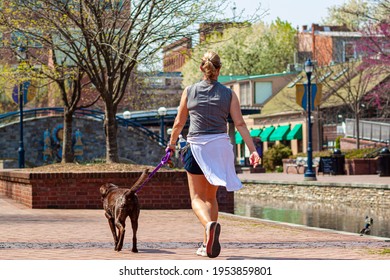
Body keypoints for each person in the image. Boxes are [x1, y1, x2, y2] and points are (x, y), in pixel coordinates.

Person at [166, 51, 260, 258]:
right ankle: (206, 241)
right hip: (220, 148)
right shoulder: (228, 94)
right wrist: (253, 150)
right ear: (219, 70)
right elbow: (240, 124)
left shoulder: (189, 91)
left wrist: (171, 144)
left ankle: (209, 226)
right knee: (211, 197)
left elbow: (179, 123)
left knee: (197, 198)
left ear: (202, 68)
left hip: (196, 148)